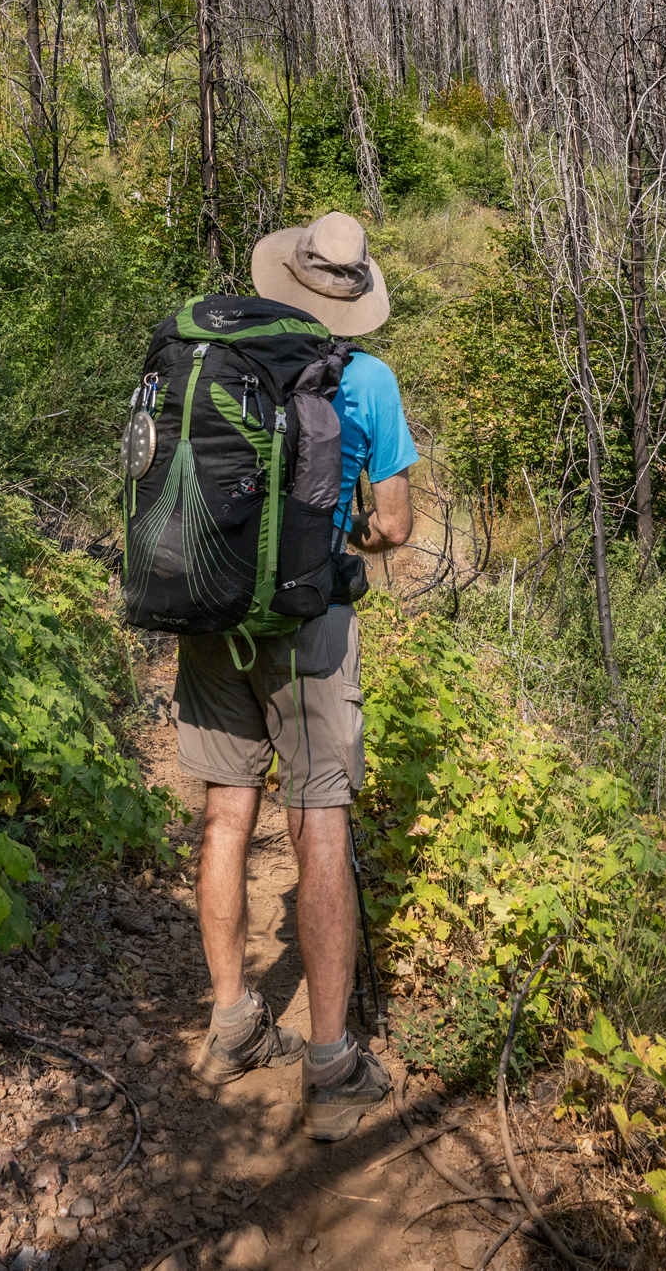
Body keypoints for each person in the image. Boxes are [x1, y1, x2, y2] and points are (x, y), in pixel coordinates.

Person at [175, 211, 415, 1141]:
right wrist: (341, 534)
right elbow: (392, 523)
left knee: (227, 809)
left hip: (212, 608)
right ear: (352, 301)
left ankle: (233, 1021)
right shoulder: (370, 378)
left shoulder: (219, 357)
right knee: (318, 817)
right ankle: (330, 1063)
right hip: (310, 623)